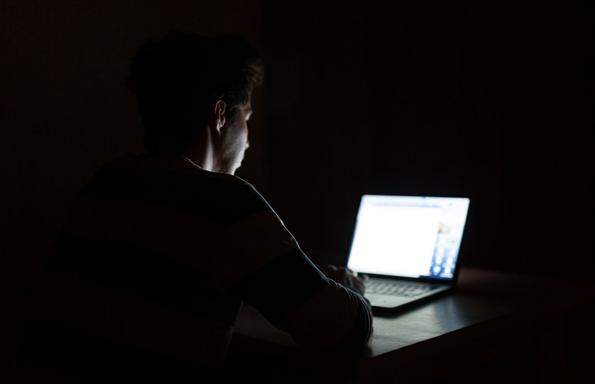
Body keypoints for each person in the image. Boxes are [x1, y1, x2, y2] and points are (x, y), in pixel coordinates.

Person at [21, 32, 372, 380]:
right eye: (246, 119)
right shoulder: (227, 203)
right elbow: (342, 331)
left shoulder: (107, 182)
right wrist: (348, 290)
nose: (248, 141)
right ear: (220, 115)